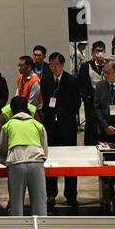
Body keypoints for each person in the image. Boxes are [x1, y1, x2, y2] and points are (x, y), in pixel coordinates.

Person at [40, 52, 80, 209]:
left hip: (67, 125)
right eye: (51, 64)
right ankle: (51, 193)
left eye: (56, 64)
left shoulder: (72, 80)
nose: (53, 67)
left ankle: (71, 195)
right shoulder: (46, 80)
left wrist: (63, 113)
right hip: (51, 125)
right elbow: (44, 100)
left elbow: (76, 102)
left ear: (62, 65)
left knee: (70, 161)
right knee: (51, 160)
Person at [0, 96, 49, 216]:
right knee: (40, 206)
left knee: (16, 206)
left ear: (11, 110)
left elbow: (1, 153)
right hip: (36, 163)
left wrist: (7, 162)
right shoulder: (38, 125)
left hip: (15, 165)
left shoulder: (8, 126)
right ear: (27, 108)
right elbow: (45, 151)